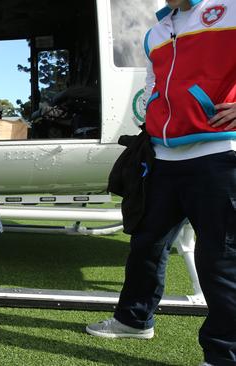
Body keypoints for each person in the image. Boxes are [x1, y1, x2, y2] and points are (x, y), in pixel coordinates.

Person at [86, 1, 236, 365]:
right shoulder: (157, 30)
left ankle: (224, 355)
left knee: (220, 259)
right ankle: (134, 320)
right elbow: (155, 84)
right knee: (146, 243)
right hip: (163, 157)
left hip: (218, 155)